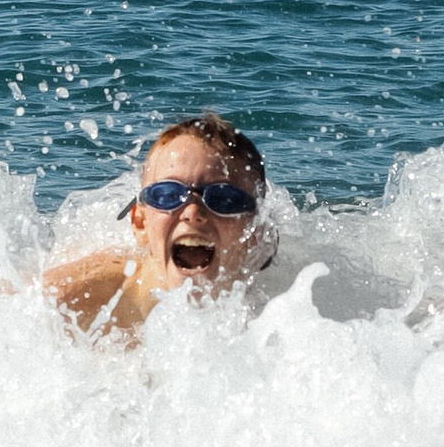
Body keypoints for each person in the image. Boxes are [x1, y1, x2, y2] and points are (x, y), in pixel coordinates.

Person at [42, 112, 272, 336]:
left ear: (256, 235)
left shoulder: (282, 310)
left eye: (223, 198)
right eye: (168, 194)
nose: (193, 212)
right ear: (140, 224)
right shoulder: (68, 304)